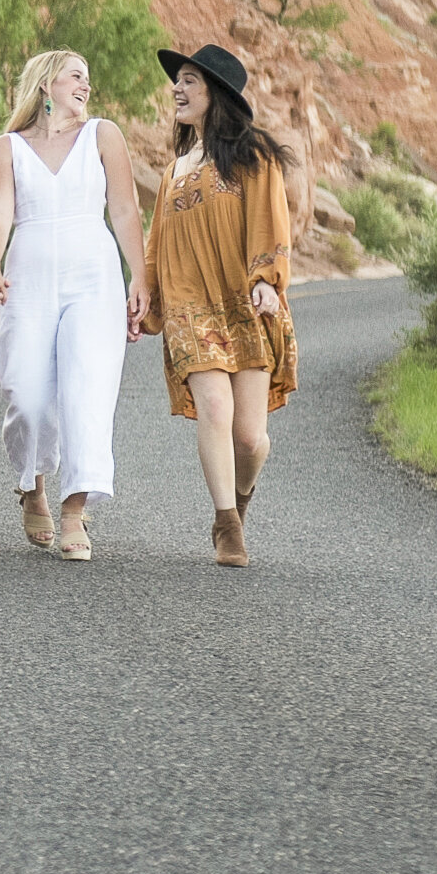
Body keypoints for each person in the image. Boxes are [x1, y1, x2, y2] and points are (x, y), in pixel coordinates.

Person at [0, 51, 149, 562]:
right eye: (77, 76)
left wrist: (139, 275)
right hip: (27, 276)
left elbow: (123, 206)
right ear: (47, 82)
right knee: (26, 392)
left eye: (89, 79)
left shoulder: (103, 135)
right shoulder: (8, 148)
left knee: (86, 391)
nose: (86, 86)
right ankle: (33, 485)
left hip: (93, 277)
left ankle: (74, 509)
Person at [142, 43, 298, 568]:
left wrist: (267, 280)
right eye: (177, 82)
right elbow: (156, 245)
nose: (177, 90)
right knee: (214, 409)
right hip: (191, 310)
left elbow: (270, 222)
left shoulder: (253, 155)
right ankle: (226, 524)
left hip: (244, 303)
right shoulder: (174, 173)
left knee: (251, 439)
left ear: (217, 93)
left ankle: (241, 499)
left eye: (188, 81)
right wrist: (147, 303)